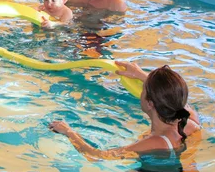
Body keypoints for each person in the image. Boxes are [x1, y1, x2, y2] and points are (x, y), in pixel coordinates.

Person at [49, 61, 201, 160]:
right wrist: (140, 74)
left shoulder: (155, 142)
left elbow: (98, 156)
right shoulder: (190, 118)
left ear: (150, 104)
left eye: (143, 90)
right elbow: (173, 94)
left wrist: (69, 132)